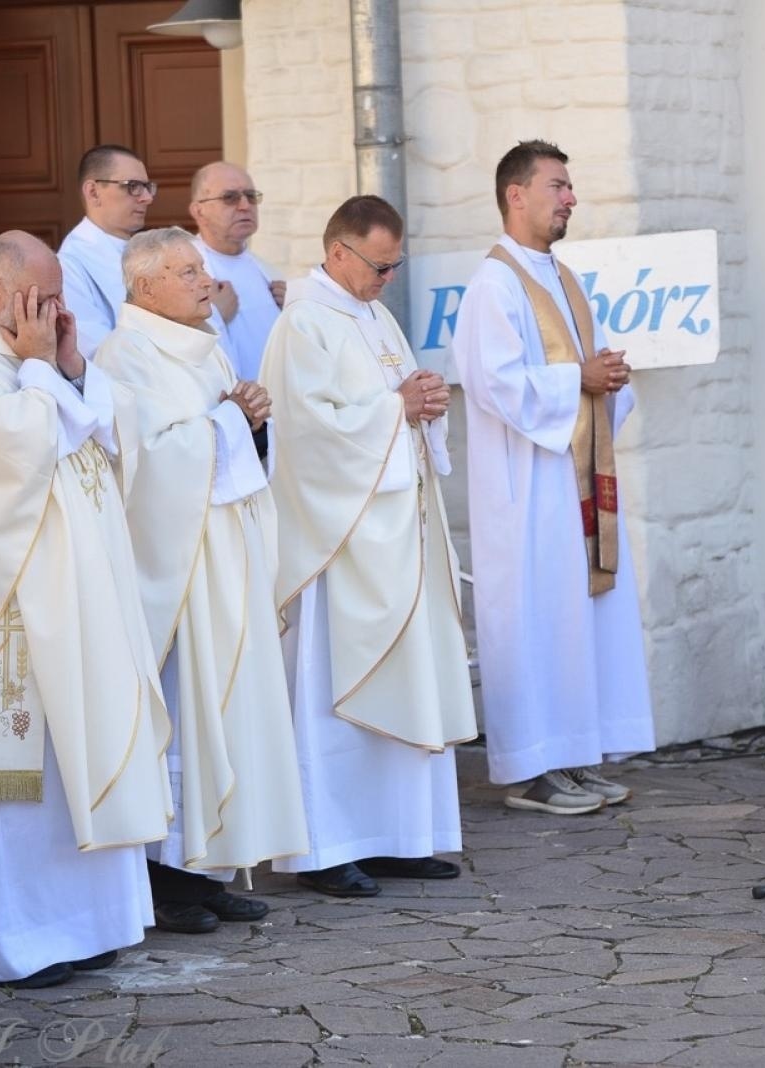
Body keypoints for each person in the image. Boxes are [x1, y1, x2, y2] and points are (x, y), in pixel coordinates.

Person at [0, 232, 171, 987]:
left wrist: (72, 368)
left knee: (79, 764)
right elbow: (22, 454)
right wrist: (43, 370)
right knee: (17, 786)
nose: (58, 313)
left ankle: (90, 926)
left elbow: (107, 444)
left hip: (79, 610)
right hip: (7, 625)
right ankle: (15, 945)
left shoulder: (36, 365)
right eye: (44, 300)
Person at [94, 228, 308, 933]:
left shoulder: (206, 342)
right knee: (187, 718)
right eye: (186, 272)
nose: (202, 281)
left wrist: (251, 422)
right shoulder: (124, 358)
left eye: (201, 270)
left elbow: (226, 444)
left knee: (229, 710)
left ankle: (209, 869)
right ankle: (165, 877)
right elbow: (145, 465)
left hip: (227, 558)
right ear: (144, 286)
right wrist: (229, 419)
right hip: (179, 568)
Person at [260, 195, 475, 897]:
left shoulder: (375, 315)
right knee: (334, 688)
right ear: (339, 253)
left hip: (397, 532)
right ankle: (329, 846)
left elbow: (397, 400)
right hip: (339, 540)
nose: (389, 279)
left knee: (409, 678)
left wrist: (424, 401)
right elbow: (305, 431)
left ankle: (401, 837)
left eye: (395, 266)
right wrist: (396, 409)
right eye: (381, 267)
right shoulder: (302, 324)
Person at [451, 140, 655, 815]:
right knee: (536, 621)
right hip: (527, 490)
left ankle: (572, 755)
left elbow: (577, 374)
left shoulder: (560, 277)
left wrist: (608, 379)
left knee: (577, 620)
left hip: (569, 483)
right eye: (558, 186)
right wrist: (580, 379)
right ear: (516, 193)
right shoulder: (494, 284)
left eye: (569, 187)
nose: (571, 198)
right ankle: (532, 770)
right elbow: (493, 384)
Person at [188, 161, 285, 381]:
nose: (244, 206)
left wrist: (293, 310)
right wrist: (215, 315)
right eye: (230, 198)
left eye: (251, 196)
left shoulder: (268, 271)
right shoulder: (186, 273)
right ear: (198, 211)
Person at [59, 144, 156, 358]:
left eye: (147, 187)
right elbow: (96, 351)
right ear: (93, 192)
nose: (147, 198)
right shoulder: (69, 265)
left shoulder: (149, 250)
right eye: (133, 186)